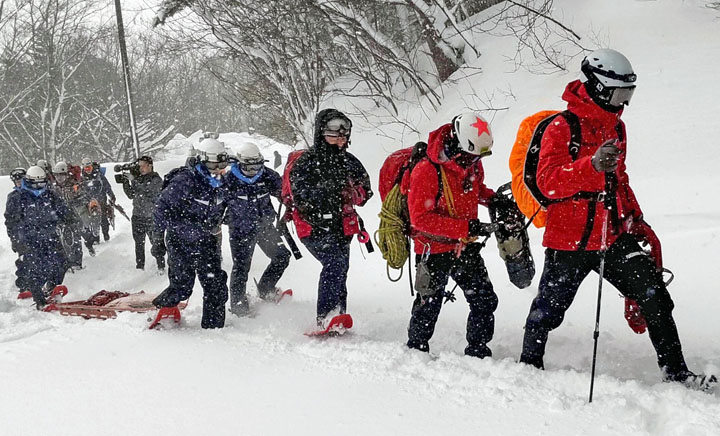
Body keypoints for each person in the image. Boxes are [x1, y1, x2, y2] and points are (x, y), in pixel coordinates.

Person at [518, 49, 716, 390]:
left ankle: (677, 373)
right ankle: (528, 366)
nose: (623, 102)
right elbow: (548, 181)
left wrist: (636, 218)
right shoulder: (561, 127)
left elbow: (619, 180)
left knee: (653, 295)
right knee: (548, 310)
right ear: (596, 87)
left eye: (629, 94)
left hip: (611, 234)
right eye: (618, 93)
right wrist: (589, 166)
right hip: (569, 239)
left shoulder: (617, 128)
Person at [405, 112, 499, 357]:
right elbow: (420, 219)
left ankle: (478, 350)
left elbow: (474, 189)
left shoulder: (471, 163)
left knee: (484, 299)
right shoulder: (426, 170)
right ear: (458, 144)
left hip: (464, 246)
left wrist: (494, 201)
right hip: (433, 250)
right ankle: (416, 350)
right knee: (429, 304)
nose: (475, 160)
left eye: (479, 156)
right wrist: (465, 228)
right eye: (471, 155)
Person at [289, 109, 372, 327]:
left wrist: (353, 194)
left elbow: (366, 191)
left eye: (344, 136)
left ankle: (338, 314)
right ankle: (324, 316)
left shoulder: (349, 161)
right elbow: (300, 196)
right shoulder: (307, 162)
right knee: (334, 263)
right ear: (321, 133)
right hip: (313, 227)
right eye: (334, 134)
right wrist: (326, 195)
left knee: (341, 267)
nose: (340, 140)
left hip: (342, 226)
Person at [152, 138, 229, 329]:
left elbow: (228, 206)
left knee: (215, 284)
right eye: (213, 164)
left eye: (222, 164)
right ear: (201, 160)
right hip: (180, 240)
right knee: (182, 286)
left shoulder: (221, 183)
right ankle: (163, 308)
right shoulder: (185, 181)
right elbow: (161, 209)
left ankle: (213, 328)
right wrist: (158, 239)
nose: (218, 169)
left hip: (206, 240)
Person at [222, 142, 290, 316]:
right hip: (240, 231)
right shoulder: (229, 180)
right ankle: (239, 306)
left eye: (256, 166)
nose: (253, 171)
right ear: (239, 163)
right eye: (248, 167)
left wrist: (293, 203)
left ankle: (266, 288)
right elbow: (216, 203)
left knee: (282, 256)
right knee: (241, 267)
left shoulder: (267, 175)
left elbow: (285, 193)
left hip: (265, 227)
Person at [5, 166, 70, 308]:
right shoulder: (17, 198)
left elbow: (64, 211)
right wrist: (16, 240)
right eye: (36, 184)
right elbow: (11, 222)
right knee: (35, 268)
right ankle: (39, 300)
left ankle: (51, 287)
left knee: (62, 262)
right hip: (29, 239)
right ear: (28, 181)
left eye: (42, 183)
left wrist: (70, 220)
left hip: (50, 236)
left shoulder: (50, 195)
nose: (39, 187)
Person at [121, 156, 166, 272]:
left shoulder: (156, 179)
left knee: (155, 242)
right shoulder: (138, 179)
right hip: (137, 216)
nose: (140, 169)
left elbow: (147, 192)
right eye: (139, 166)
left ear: (150, 165)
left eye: (142, 166)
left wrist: (133, 180)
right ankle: (140, 267)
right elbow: (131, 194)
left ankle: (161, 266)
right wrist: (125, 182)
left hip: (151, 217)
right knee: (139, 244)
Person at [51, 161, 88, 270]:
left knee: (75, 239)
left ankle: (76, 263)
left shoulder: (75, 184)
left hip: (73, 216)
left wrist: (74, 202)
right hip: (59, 217)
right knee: (60, 241)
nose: (59, 178)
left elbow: (84, 196)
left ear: (67, 174)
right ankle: (64, 263)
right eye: (57, 175)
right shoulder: (53, 188)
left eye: (61, 175)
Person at [81, 157, 116, 241]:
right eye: (86, 168)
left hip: (101, 199)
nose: (88, 170)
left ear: (92, 166)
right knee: (91, 220)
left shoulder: (99, 175)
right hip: (88, 201)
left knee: (103, 218)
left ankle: (105, 233)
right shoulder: (82, 178)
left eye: (89, 167)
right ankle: (95, 237)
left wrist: (111, 195)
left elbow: (107, 186)